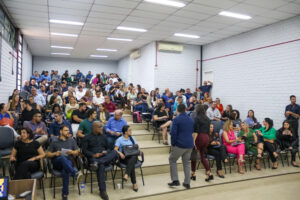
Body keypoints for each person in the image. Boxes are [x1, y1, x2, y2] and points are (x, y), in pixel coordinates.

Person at [82, 121, 118, 200]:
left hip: (103, 157)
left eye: (102, 126)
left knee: (114, 152)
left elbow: (108, 148)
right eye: (100, 127)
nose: (102, 128)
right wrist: (93, 155)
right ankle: (103, 191)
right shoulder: (87, 137)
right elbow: (84, 151)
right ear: (94, 128)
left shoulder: (104, 136)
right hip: (93, 157)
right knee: (101, 166)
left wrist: (105, 152)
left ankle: (98, 162)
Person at [47, 125, 82, 200]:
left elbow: (77, 152)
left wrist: (72, 152)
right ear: (61, 131)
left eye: (68, 130)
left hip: (69, 162)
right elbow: (47, 154)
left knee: (65, 170)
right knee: (62, 157)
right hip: (57, 163)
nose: (68, 132)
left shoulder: (72, 140)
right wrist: (55, 153)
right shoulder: (54, 141)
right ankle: (74, 173)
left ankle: (65, 195)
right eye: (66, 130)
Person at [168, 104, 193, 189]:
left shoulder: (176, 119)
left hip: (179, 144)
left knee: (172, 159)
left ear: (177, 110)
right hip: (189, 144)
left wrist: (173, 143)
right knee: (186, 163)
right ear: (185, 110)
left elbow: (173, 133)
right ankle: (187, 182)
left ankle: (175, 180)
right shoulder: (191, 119)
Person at [191, 105, 214, 181]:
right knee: (202, 157)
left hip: (199, 137)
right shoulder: (207, 118)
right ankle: (209, 173)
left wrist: (193, 141)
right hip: (206, 137)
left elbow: (196, 131)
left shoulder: (196, 118)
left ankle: (193, 174)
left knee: (194, 156)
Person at [114, 125, 139, 191]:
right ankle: (134, 184)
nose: (131, 131)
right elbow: (115, 149)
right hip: (124, 158)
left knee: (133, 158)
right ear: (125, 132)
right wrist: (120, 153)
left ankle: (126, 174)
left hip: (133, 156)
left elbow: (136, 148)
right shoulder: (119, 139)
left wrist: (139, 152)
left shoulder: (132, 138)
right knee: (131, 164)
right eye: (129, 130)